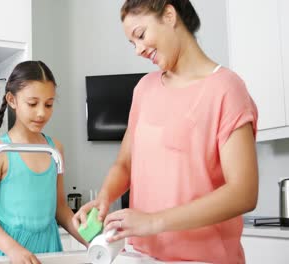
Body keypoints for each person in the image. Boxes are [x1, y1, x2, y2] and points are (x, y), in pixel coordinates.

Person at [73, 1, 258, 263]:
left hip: (205, 259)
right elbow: (125, 163)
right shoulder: (144, 88)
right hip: (142, 255)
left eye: (140, 35)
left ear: (169, 15)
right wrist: (104, 197)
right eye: (132, 43)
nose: (137, 49)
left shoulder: (227, 89)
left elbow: (243, 192)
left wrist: (153, 222)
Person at [0, 60, 87, 264]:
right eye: (33, 104)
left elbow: (60, 208)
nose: (42, 112)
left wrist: (91, 240)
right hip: (11, 253)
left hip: (50, 249)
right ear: (12, 100)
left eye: (49, 104)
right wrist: (14, 251)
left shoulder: (55, 149)